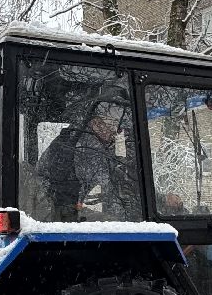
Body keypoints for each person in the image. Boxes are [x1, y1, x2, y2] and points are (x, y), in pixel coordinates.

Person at [34, 88, 136, 221]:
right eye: (111, 125)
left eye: (117, 126)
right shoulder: (88, 147)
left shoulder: (74, 137)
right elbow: (106, 191)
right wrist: (126, 218)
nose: (115, 132)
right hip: (66, 214)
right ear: (95, 123)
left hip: (58, 209)